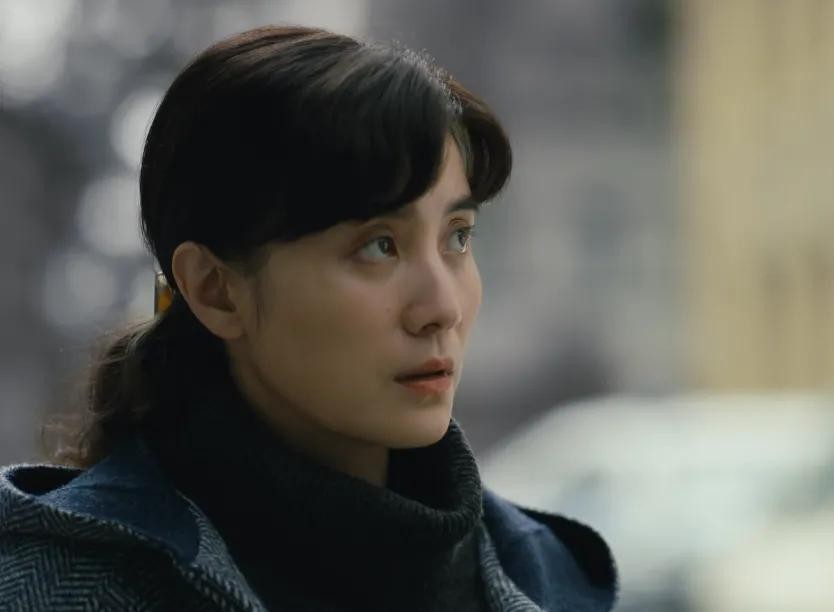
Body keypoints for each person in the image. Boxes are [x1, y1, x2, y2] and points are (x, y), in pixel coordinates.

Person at [0, 25, 617, 611]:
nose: (443, 309)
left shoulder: (548, 575)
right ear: (216, 291)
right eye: (379, 246)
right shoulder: (55, 587)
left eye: (457, 236)